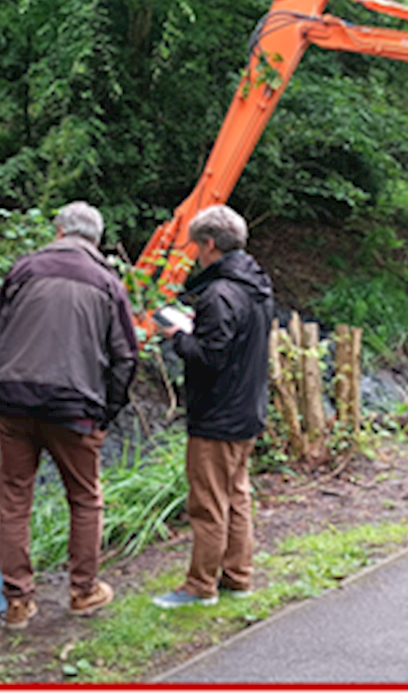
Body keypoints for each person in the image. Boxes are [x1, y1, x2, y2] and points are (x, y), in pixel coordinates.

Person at [0, 201, 138, 629]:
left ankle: (17, 602)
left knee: (14, 500)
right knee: (85, 499)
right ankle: (83, 592)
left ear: (59, 231)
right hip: (75, 408)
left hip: (13, 402)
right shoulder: (107, 281)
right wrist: (107, 413)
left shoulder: (23, 269)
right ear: (96, 240)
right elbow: (125, 357)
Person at [152, 204, 273, 609]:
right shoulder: (257, 286)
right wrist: (198, 327)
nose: (196, 256)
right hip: (247, 409)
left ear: (209, 245)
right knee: (237, 496)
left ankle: (199, 585)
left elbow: (209, 356)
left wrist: (176, 335)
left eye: (196, 248)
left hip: (217, 415)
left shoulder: (219, 293)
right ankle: (238, 577)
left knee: (206, 503)